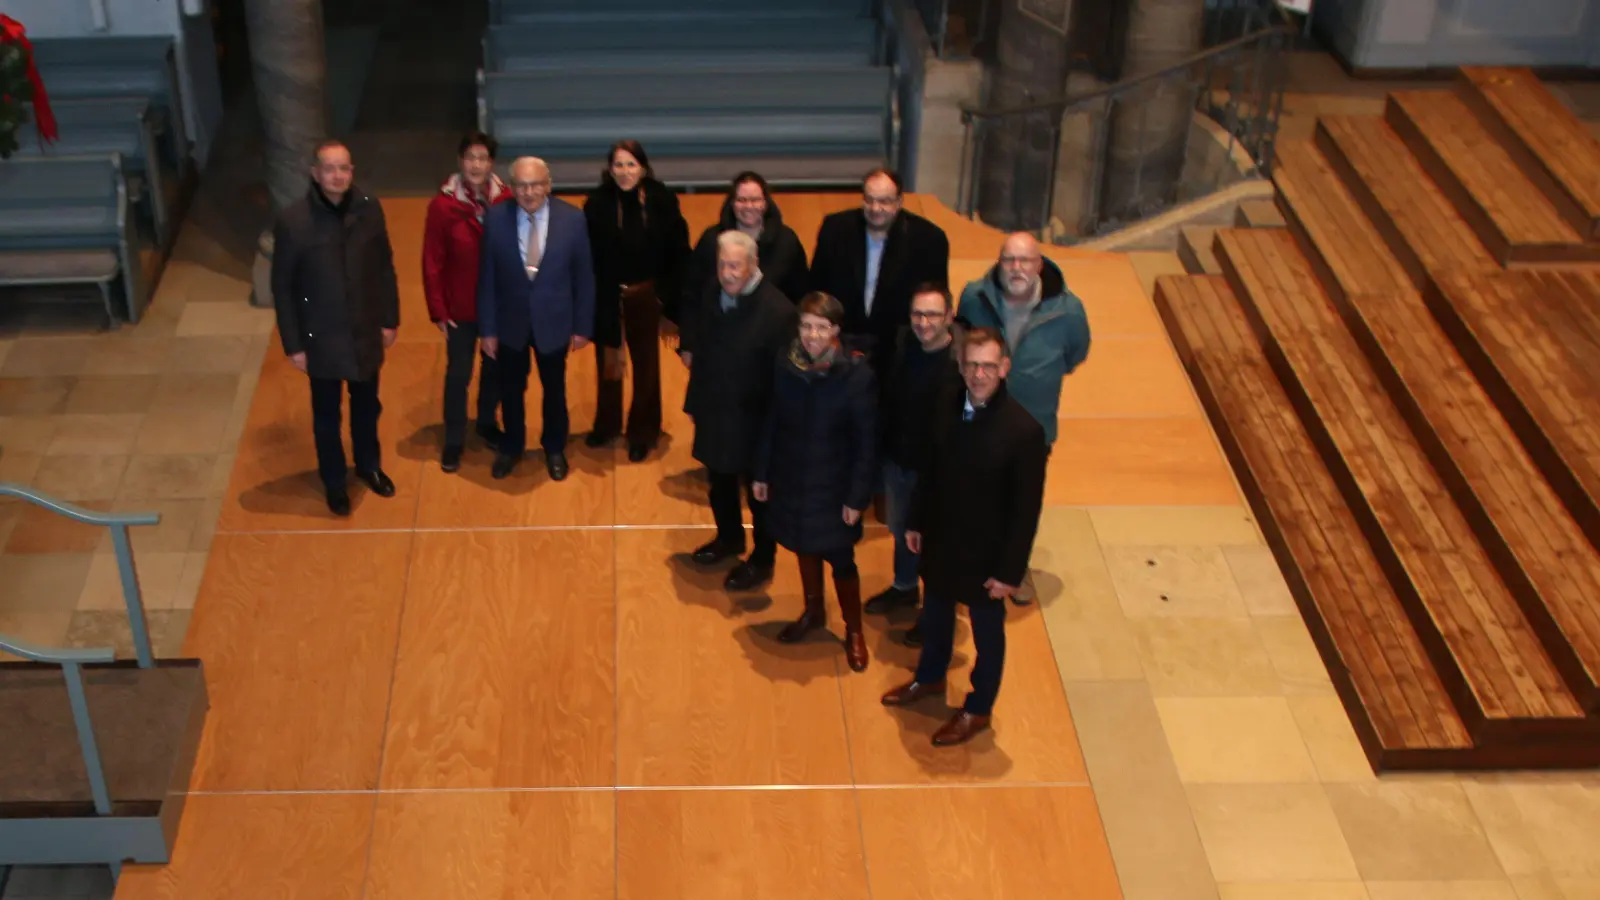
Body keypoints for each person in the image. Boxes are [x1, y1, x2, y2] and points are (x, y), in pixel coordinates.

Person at [881, 327, 1049, 747]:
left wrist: (1010, 572)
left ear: (1004, 368)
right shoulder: (946, 404)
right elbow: (930, 470)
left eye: (989, 366)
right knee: (935, 616)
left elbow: (1025, 512)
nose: (979, 374)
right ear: (961, 365)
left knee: (988, 638)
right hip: (940, 540)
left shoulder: (1024, 432)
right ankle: (930, 678)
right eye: (972, 364)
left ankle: (977, 710)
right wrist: (916, 522)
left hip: (986, 558)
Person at [955, 231, 1090, 603]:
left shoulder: (1069, 311)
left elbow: (1076, 354)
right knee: (976, 495)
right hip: (980, 420)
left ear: (1039, 265)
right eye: (1009, 260)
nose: (1016, 268)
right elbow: (962, 345)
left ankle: (1013, 568)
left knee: (1022, 501)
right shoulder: (974, 297)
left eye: (1025, 261)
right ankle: (971, 564)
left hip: (1033, 427)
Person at [271, 139, 400, 517]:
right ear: (315, 173)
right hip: (320, 336)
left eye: (344, 168)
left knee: (366, 406)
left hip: (364, 331)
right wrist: (294, 344)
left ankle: (368, 466)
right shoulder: (293, 221)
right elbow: (284, 287)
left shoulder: (368, 209)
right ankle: (334, 482)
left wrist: (390, 319)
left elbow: (384, 268)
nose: (338, 175)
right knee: (327, 415)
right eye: (330, 168)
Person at [753, 292, 878, 672]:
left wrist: (857, 498)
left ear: (836, 331)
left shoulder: (857, 376)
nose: (811, 335)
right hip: (792, 475)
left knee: (841, 558)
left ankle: (853, 630)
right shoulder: (785, 361)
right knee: (802, 545)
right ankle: (813, 611)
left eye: (820, 328)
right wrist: (761, 471)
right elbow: (771, 417)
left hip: (834, 485)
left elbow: (866, 443)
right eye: (806, 326)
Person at [679, 231, 796, 591]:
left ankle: (762, 559)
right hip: (717, 412)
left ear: (753, 264)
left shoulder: (779, 312)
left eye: (735, 266)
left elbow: (783, 380)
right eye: (722, 264)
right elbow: (705, 349)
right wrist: (696, 403)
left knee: (759, 496)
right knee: (719, 483)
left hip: (756, 423)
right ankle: (728, 538)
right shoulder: (714, 292)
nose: (727, 273)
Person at [477, 156, 595, 481]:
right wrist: (487, 329)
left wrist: (583, 326)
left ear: (548, 184)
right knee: (511, 390)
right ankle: (512, 446)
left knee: (554, 390)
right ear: (511, 187)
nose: (529, 192)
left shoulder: (572, 219)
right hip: (509, 324)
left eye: (535, 184)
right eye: (521, 185)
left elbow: (584, 277)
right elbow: (487, 279)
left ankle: (554, 447)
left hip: (555, 323)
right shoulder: (496, 218)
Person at [865, 283, 963, 645]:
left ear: (949, 317)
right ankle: (904, 587)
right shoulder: (903, 345)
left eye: (932, 315)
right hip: (898, 460)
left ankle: (935, 616)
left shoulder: (960, 365)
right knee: (900, 529)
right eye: (918, 314)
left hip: (934, 475)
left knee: (933, 546)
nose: (924, 322)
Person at [583, 140, 690, 462]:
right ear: (610, 169)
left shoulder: (662, 199)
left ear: (643, 168)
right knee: (608, 365)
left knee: (646, 366)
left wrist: (666, 298)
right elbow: (587, 255)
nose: (625, 172)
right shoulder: (596, 204)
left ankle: (643, 431)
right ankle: (608, 426)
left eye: (631, 165)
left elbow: (678, 251)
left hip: (646, 295)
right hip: (608, 296)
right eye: (619, 165)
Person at [423, 130, 511, 473]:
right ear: (461, 161)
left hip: (499, 307)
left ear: (491, 163)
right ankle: (455, 439)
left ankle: (487, 423)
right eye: (471, 158)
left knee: (495, 371)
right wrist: (438, 310)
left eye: (483, 158)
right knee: (458, 374)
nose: (477, 164)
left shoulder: (506, 199)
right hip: (459, 308)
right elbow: (433, 262)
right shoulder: (443, 206)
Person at [807, 167, 950, 369]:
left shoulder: (929, 240)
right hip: (842, 348)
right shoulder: (835, 229)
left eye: (884, 201)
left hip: (899, 354)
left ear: (899, 202)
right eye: (869, 200)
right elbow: (817, 290)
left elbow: (936, 302)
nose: (875, 208)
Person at [683, 171, 809, 309]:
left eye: (755, 200)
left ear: (765, 203)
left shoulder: (787, 242)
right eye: (741, 200)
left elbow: (801, 295)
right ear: (732, 203)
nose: (748, 206)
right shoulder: (712, 240)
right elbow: (693, 293)